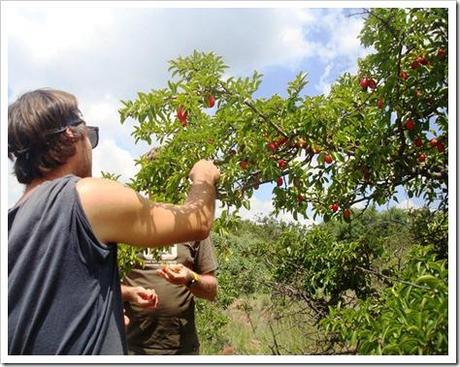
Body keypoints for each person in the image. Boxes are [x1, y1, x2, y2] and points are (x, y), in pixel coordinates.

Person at [8, 88, 220, 355]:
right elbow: (198, 221)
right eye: (91, 136)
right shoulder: (86, 194)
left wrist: (117, 301)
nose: (91, 148)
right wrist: (203, 176)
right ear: (72, 134)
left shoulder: (15, 217)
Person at [123, 237, 218, 355]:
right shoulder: (125, 224)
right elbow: (100, 285)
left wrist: (191, 278)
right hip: (132, 348)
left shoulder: (193, 226)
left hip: (182, 350)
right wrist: (129, 293)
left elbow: (211, 291)